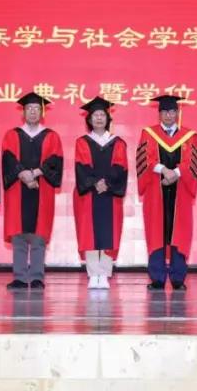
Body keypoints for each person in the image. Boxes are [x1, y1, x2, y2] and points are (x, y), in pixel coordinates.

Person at [137, 94, 197, 290]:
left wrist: (176, 173)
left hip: (180, 191)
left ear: (177, 113)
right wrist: (164, 170)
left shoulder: (190, 136)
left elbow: (192, 161)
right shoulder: (148, 133)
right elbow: (145, 158)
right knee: (156, 231)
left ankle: (177, 278)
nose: (168, 115)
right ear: (159, 113)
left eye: (172, 111)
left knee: (179, 232)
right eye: (164, 111)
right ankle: (157, 278)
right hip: (156, 192)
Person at [1, 92, 64, 290]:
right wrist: (23, 175)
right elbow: (8, 159)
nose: (33, 112)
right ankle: (19, 277)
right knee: (18, 235)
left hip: (42, 188)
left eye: (37, 109)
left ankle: (37, 277)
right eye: (29, 109)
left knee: (38, 235)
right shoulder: (12, 135)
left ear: (42, 112)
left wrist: (35, 173)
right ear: (23, 112)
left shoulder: (51, 136)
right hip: (17, 189)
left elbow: (55, 161)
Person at [73, 97, 128, 290]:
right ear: (89, 119)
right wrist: (95, 183)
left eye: (102, 115)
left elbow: (120, 167)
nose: (98, 118)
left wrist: (107, 183)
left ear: (107, 118)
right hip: (89, 194)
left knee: (108, 233)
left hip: (110, 195)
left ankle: (104, 273)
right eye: (95, 115)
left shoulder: (118, 142)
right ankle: (92, 273)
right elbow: (81, 167)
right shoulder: (82, 142)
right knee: (88, 233)